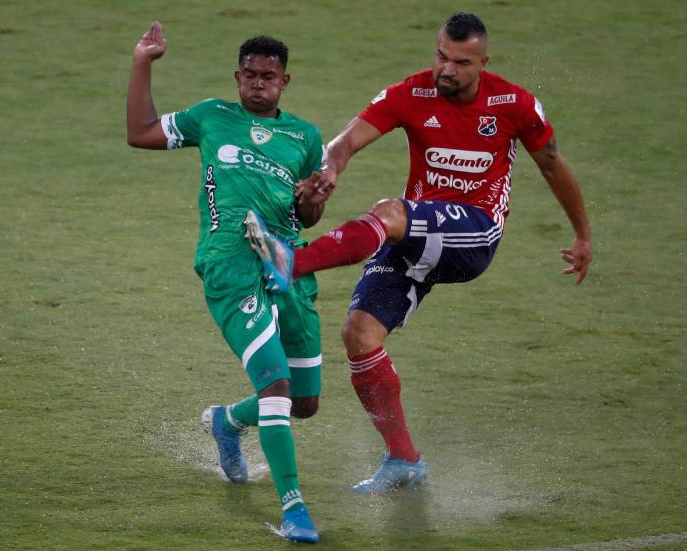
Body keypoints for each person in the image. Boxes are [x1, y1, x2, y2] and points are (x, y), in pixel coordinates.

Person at [245, 12, 592, 493]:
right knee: (359, 334)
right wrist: (330, 171)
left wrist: (582, 235)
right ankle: (404, 459)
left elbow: (553, 165)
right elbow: (345, 142)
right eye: (440, 56)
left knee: (389, 213)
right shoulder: (411, 93)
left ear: (483, 62)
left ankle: (293, 262)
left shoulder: (515, 104)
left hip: (475, 233)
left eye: (460, 62)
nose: (446, 70)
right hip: (421, 233)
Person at [126, 21, 328, 543]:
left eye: (269, 76)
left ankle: (228, 422)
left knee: (304, 402)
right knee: (277, 387)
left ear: (286, 82)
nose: (258, 83)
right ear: (237, 77)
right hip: (231, 266)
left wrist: (313, 195)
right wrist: (143, 62)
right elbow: (141, 132)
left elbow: (308, 216)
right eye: (250, 75)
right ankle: (295, 509)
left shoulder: (304, 137)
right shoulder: (211, 116)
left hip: (289, 267)